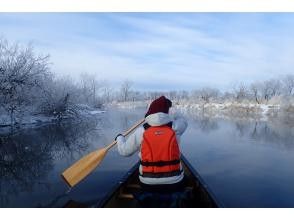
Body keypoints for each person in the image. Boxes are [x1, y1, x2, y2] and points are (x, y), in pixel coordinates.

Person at [115, 96, 188, 195]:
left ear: (150, 112)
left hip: (147, 183)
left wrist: (119, 138)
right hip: (175, 182)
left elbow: (124, 151)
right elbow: (183, 121)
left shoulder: (141, 131)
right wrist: (175, 113)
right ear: (167, 112)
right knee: (185, 180)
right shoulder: (176, 127)